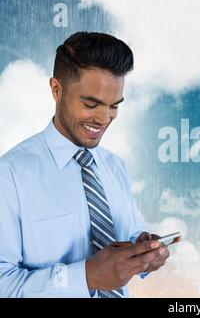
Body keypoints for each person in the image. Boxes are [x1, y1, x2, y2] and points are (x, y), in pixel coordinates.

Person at [0, 32, 169, 298]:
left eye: (114, 106)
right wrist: (87, 276)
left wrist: (144, 251)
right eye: (91, 104)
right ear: (56, 89)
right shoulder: (9, 175)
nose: (104, 119)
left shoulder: (114, 167)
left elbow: (132, 232)